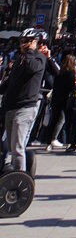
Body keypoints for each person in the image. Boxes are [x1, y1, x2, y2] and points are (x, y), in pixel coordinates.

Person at [0, 28, 51, 170]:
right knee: (11, 145)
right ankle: (13, 173)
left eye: (27, 42)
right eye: (22, 42)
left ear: (35, 42)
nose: (23, 44)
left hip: (25, 108)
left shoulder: (39, 58)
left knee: (17, 148)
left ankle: (20, 179)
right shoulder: (19, 59)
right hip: (11, 107)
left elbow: (31, 68)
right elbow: (11, 81)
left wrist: (30, 51)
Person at [45, 52, 76, 149]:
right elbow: (71, 87)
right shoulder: (72, 73)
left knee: (54, 120)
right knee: (68, 121)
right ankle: (69, 142)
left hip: (56, 99)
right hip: (66, 100)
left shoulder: (60, 73)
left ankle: (48, 142)